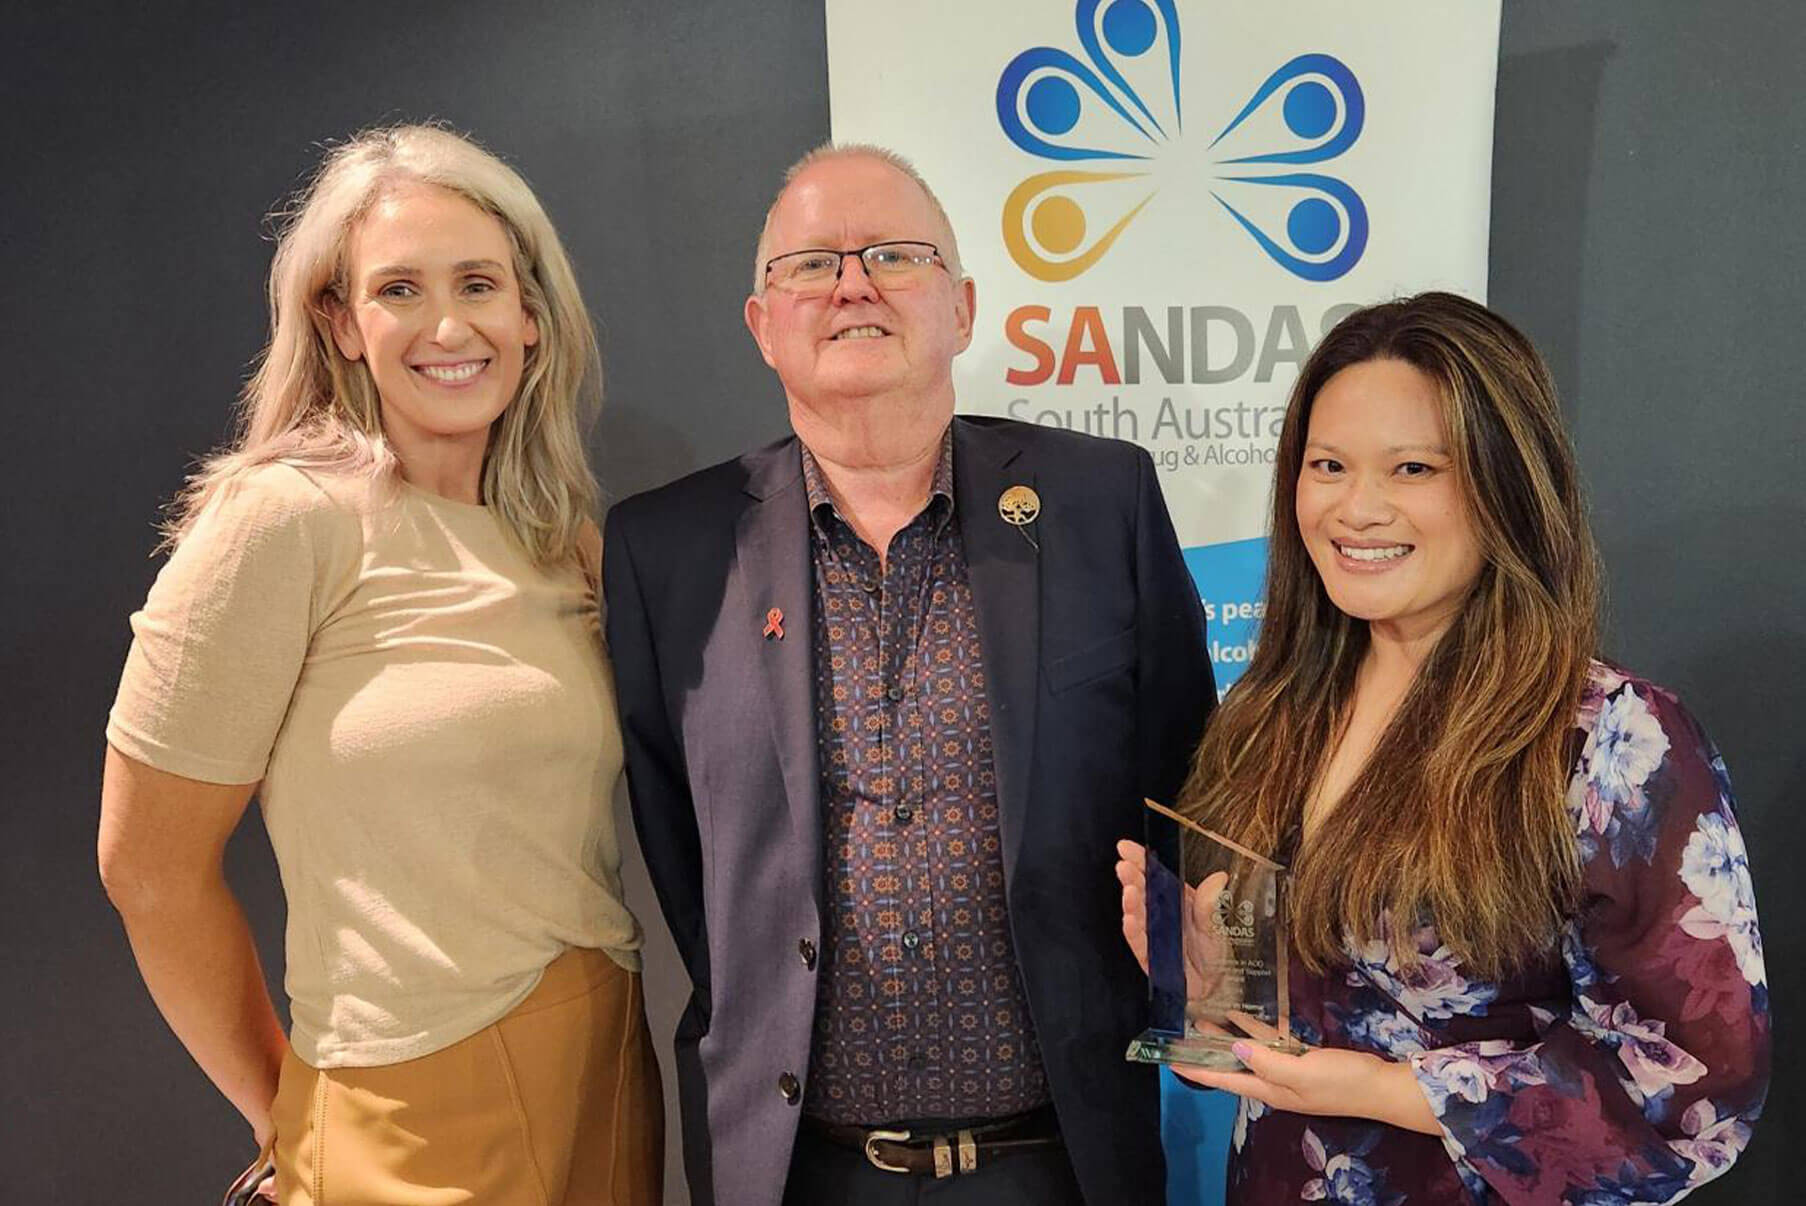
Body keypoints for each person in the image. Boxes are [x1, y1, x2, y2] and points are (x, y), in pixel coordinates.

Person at [603, 143, 1215, 1206]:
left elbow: (1188, 779)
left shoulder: (1097, 503)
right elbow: (680, 845)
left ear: (965, 308)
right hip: (799, 1166)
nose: (852, 283)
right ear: (762, 325)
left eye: (894, 253)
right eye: (810, 264)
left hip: (1056, 1160)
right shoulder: (667, 549)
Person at [98, 124, 661, 1205]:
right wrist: (292, 1113)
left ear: (532, 317)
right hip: (402, 1114)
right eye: (398, 289)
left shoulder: (564, 537)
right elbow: (147, 868)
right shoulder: (280, 522)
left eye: (480, 285)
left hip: (604, 1076)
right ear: (340, 322)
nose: (447, 326)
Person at [1117, 291, 1769, 1203]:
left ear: (1507, 483)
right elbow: (1260, 1047)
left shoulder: (1609, 736)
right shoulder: (1270, 712)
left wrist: (1392, 1091)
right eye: (1328, 464)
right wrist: (1209, 993)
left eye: (1414, 468)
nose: (1358, 508)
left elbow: (1699, 1083)